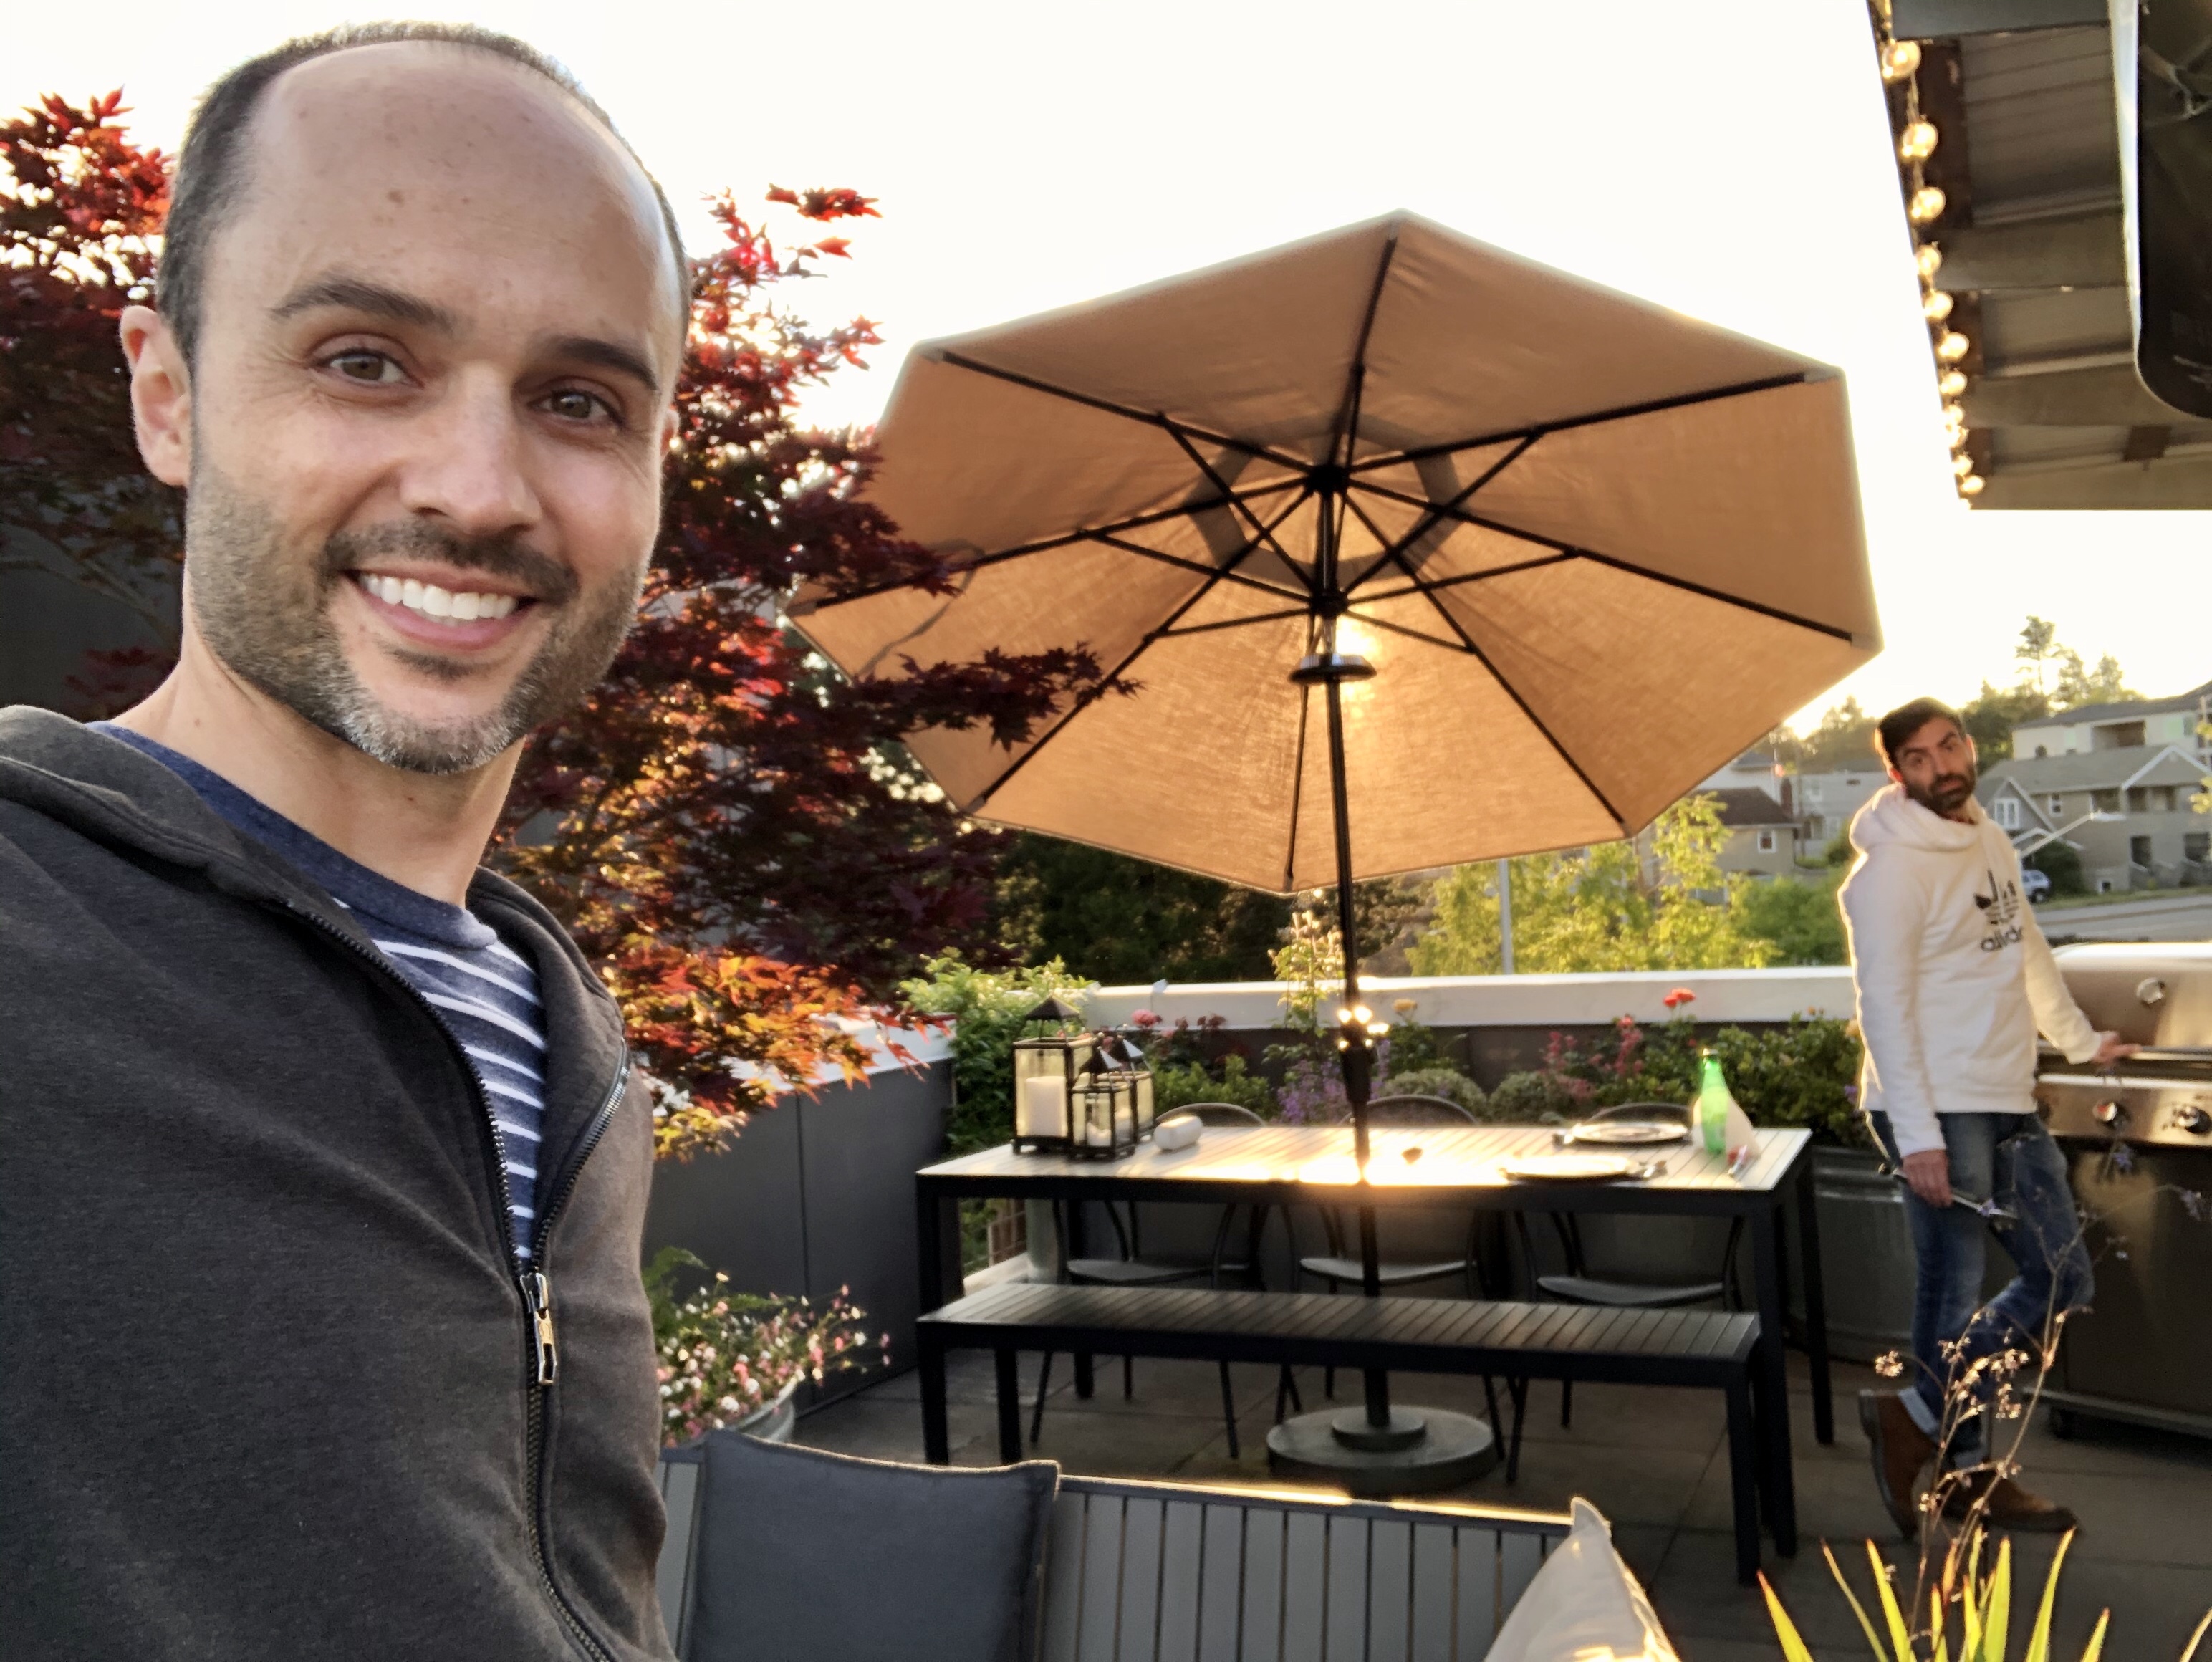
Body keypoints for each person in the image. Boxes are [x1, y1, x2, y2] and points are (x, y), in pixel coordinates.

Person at [1, 25, 691, 1658]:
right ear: (167, 395)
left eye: (579, 400)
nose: (479, 488)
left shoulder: (558, 1035)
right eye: (365, 360)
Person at [1839, 697, 2133, 1540]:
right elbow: (1882, 1008)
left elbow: (2026, 948)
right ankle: (1963, 1472)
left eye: (1949, 745)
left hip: (2003, 1093)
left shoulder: (1988, 836)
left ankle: (1913, 1419)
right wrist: (1918, 1136)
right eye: (1919, 758)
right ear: (1896, 772)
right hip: (1936, 1104)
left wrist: (2079, 1041)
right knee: (1952, 1290)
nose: (1941, 766)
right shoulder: (1888, 873)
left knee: (2062, 1277)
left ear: (1968, 746)